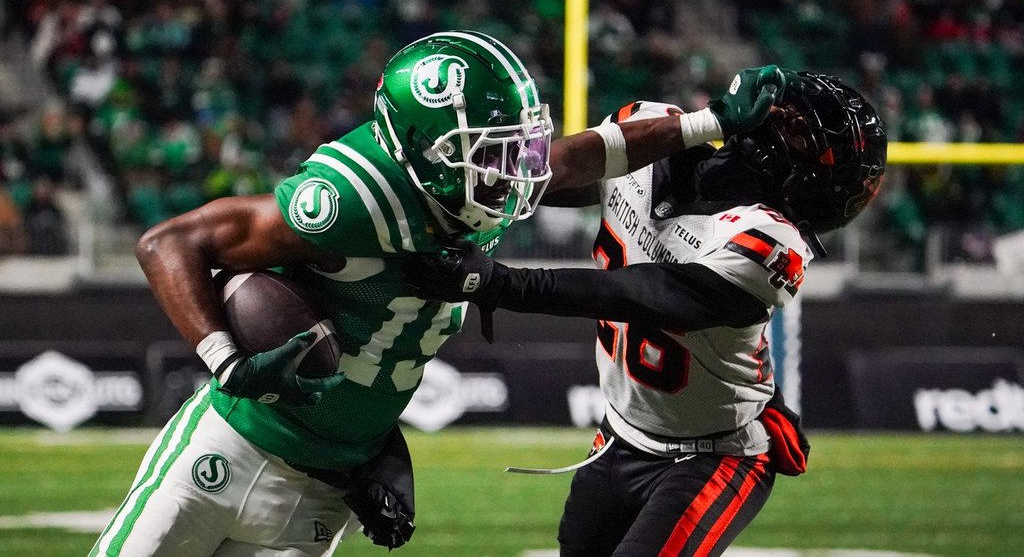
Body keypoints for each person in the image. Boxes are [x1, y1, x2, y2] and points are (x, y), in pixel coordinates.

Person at [91, 29, 784, 556]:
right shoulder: (348, 199)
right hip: (230, 447)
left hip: (326, 488)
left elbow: (577, 156)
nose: (512, 172)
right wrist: (227, 359)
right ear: (424, 151)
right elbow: (169, 243)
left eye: (509, 147)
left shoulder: (467, 183)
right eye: (486, 152)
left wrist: (709, 123)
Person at [404, 70, 887, 556]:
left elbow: (637, 294)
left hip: (714, 456)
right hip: (619, 436)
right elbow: (547, 172)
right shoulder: (654, 129)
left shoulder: (771, 242)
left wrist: (496, 282)